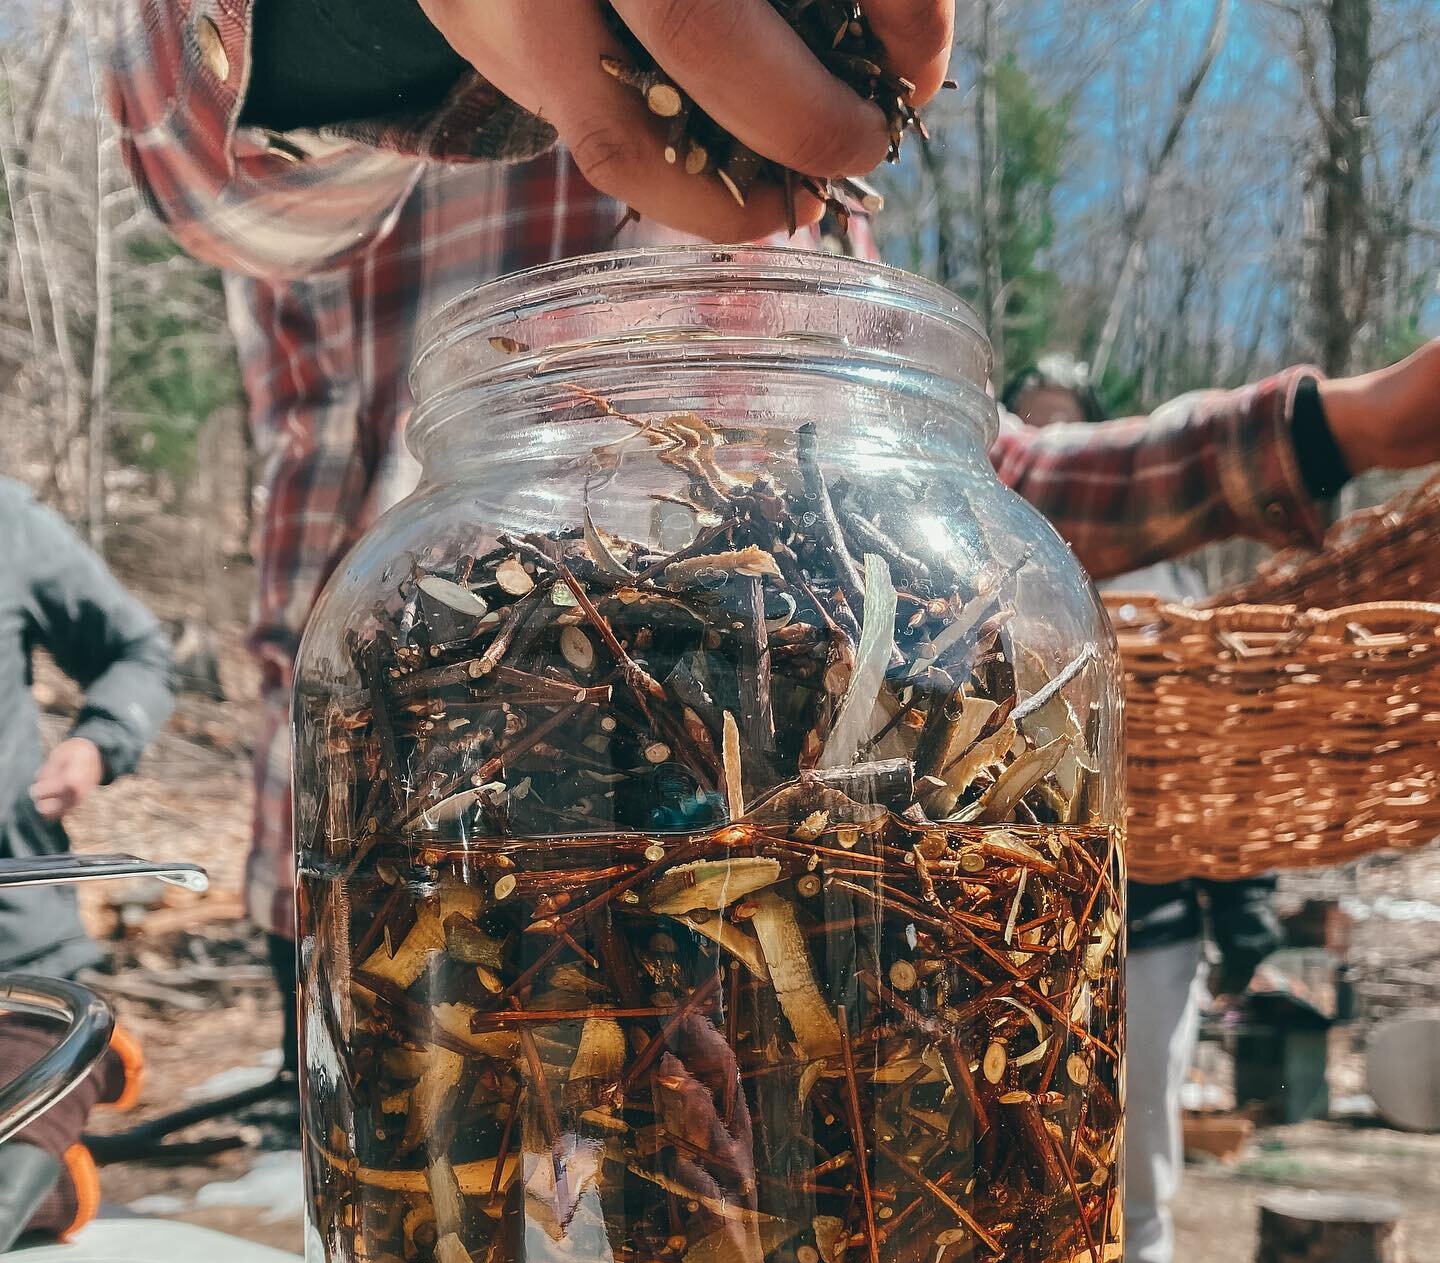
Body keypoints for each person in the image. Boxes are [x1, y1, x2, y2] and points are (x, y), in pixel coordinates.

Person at [107, 11, 1440, 1097]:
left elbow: (941, 504)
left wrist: (1334, 429)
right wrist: (389, 30)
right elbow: (191, 150)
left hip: (806, 866)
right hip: (443, 851)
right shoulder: (434, 124)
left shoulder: (813, 183)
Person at [1004, 358, 1296, 1263]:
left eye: (1071, 425)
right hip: (1015, 911)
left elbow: (1231, 743)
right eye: (1041, 424)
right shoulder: (986, 571)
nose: (1054, 436)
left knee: (1142, 1136)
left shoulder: (1164, 577)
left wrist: (1250, 915)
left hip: (1159, 907)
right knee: (1021, 1128)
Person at [0, 480, 175, 1246]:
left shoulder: (9, 524)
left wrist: (96, 743)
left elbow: (138, 653)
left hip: (18, 959)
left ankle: (78, 1057)